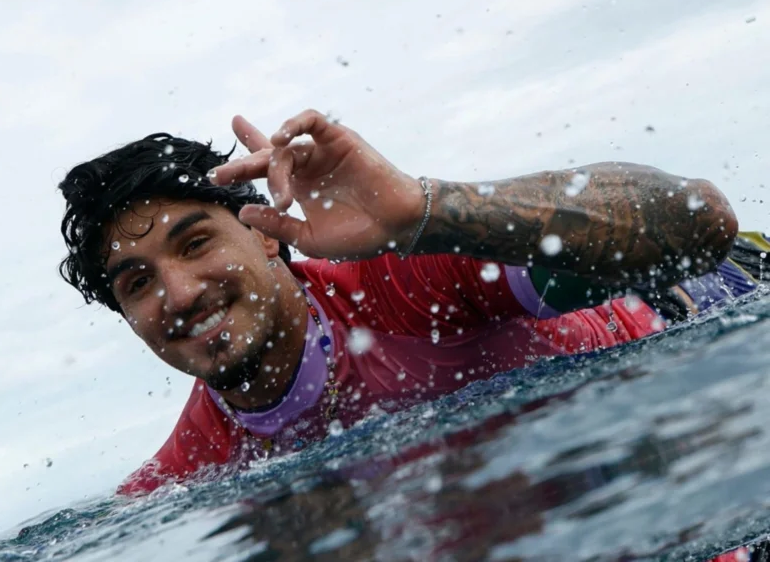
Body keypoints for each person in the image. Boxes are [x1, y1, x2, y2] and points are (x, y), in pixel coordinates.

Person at [56, 110, 766, 499]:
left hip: (705, 318)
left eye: (195, 242)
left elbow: (698, 220)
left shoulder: (407, 282)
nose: (177, 293)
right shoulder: (179, 484)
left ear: (264, 235)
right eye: (137, 283)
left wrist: (424, 209)